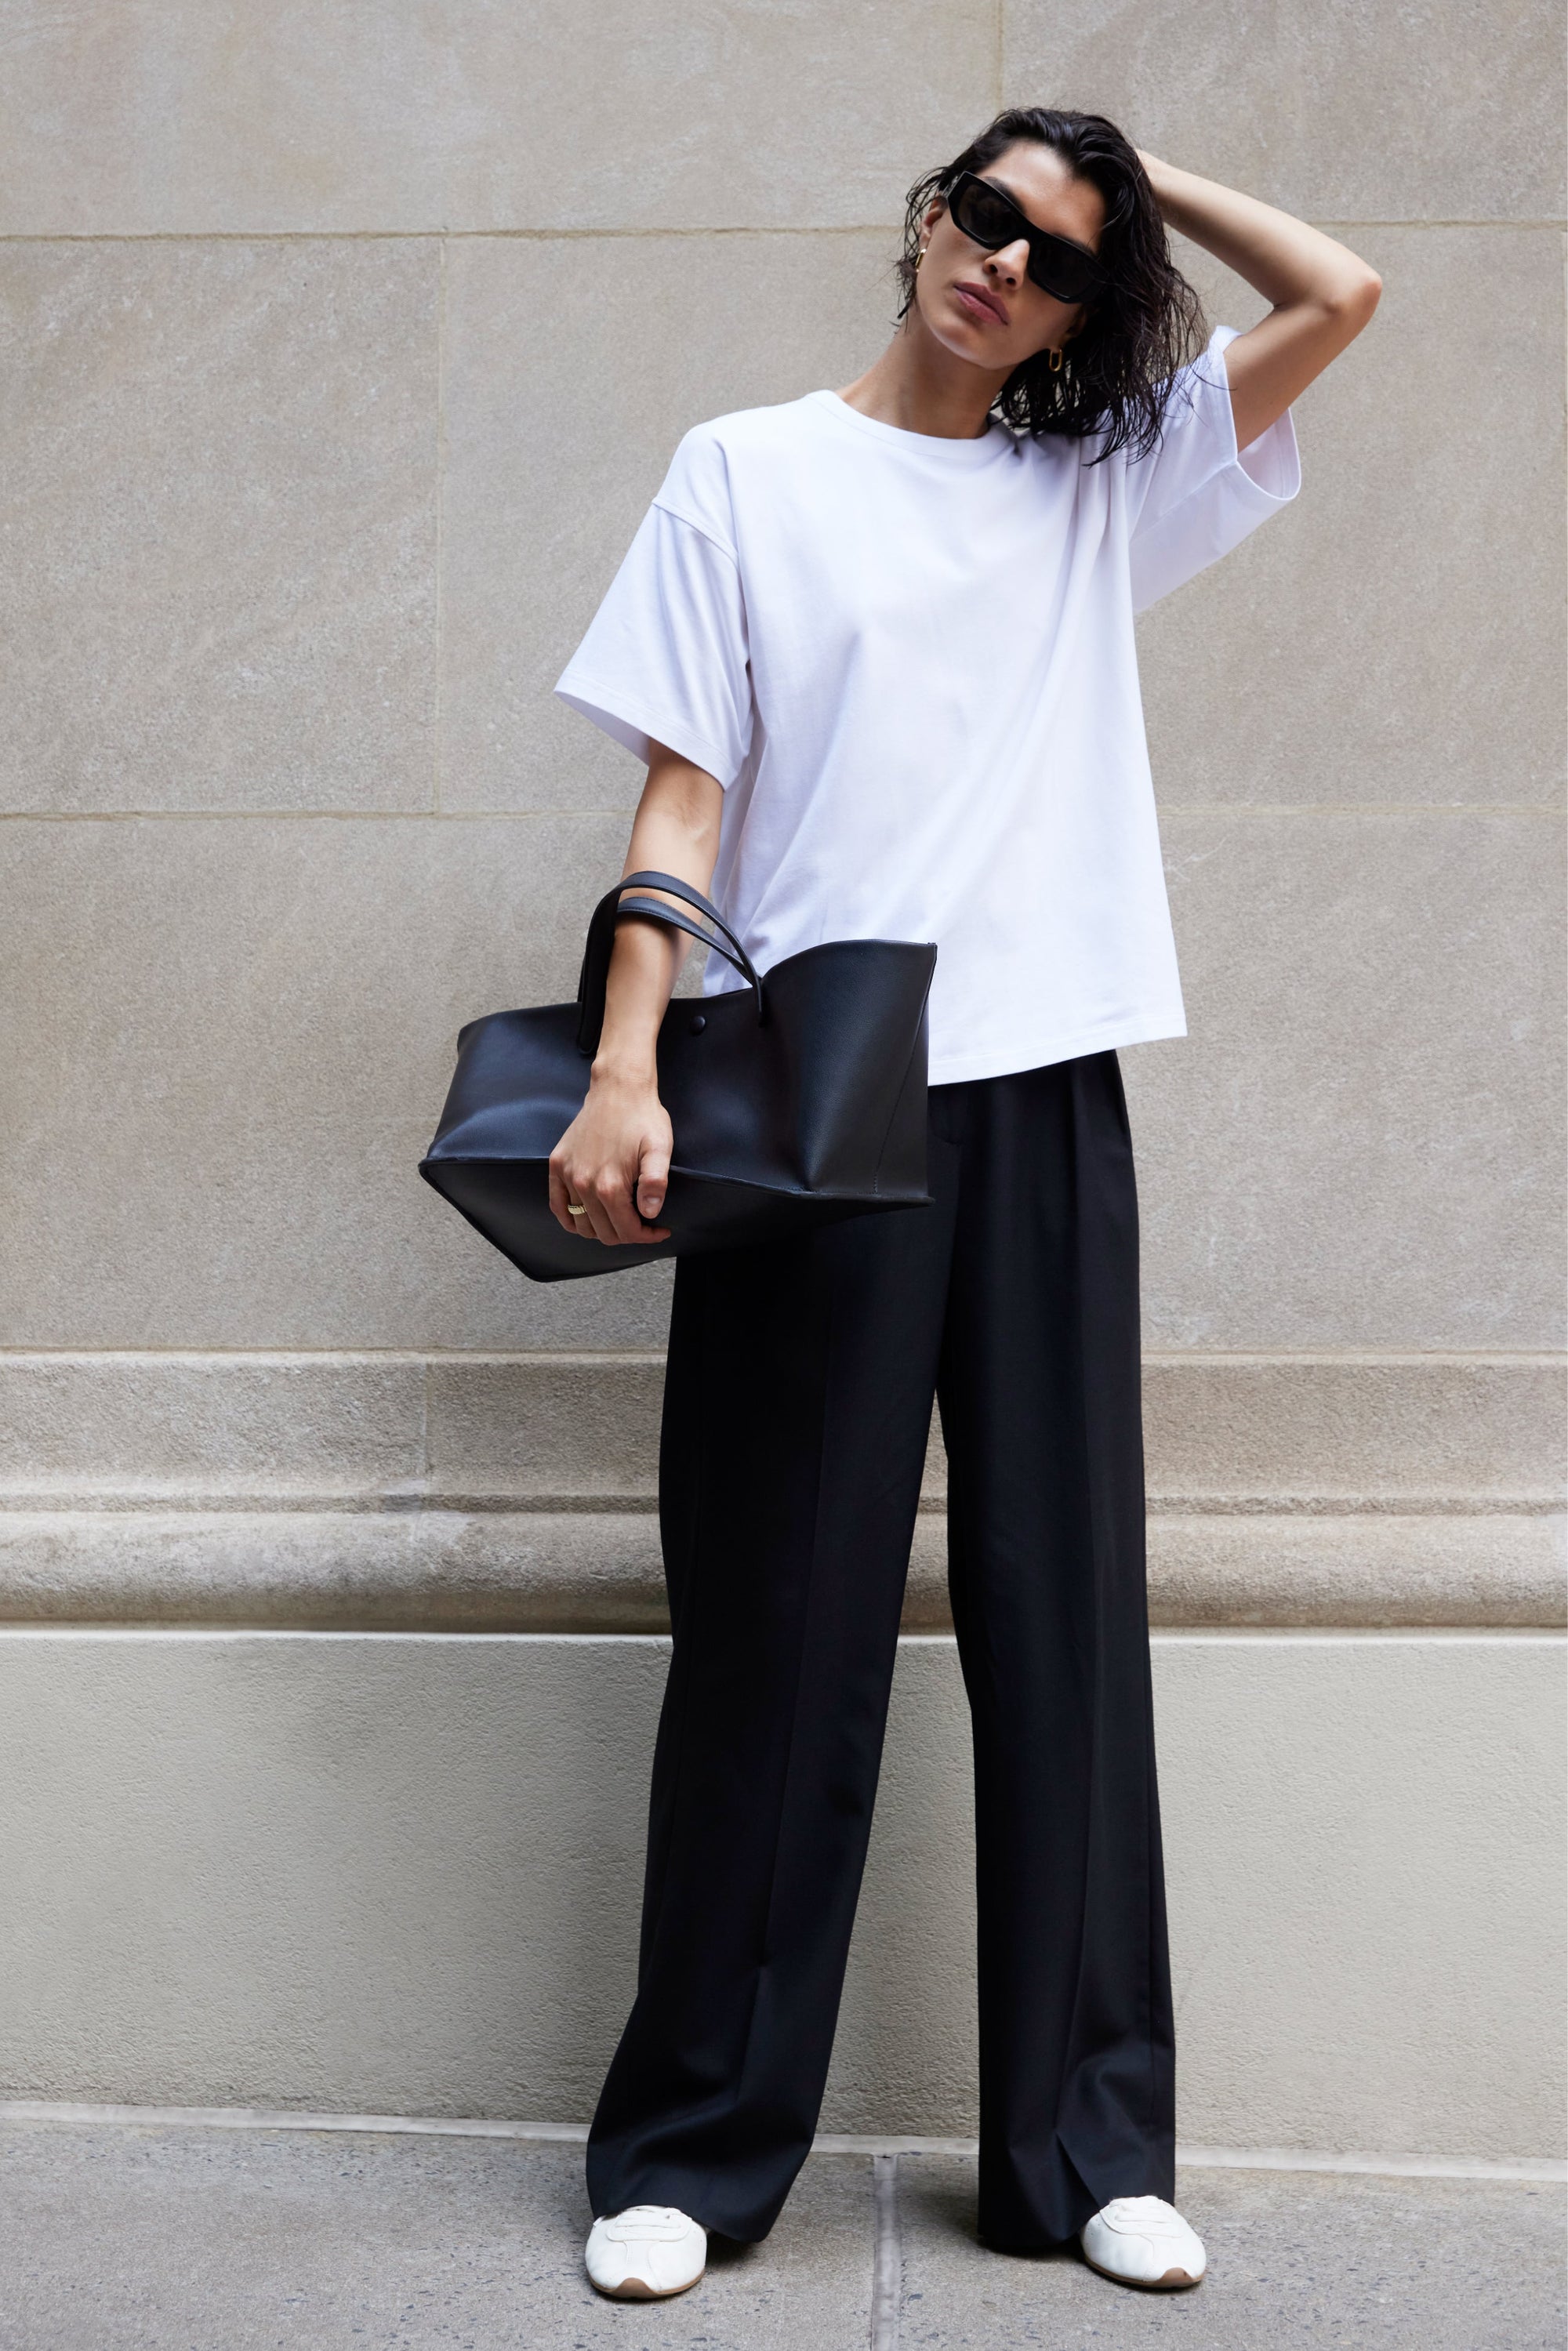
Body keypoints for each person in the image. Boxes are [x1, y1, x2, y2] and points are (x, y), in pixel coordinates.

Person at [547, 105, 1380, 2303]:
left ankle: (1090, 2145)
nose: (1004, 260)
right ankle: (696, 2150)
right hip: (813, 1112)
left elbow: (1344, 296)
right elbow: (683, 793)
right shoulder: (745, 469)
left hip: (1041, 1093)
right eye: (987, 212)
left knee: (1064, 1621)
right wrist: (627, 1058)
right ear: (924, 214)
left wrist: (1150, 175)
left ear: (1089, 307)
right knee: (773, 1631)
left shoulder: (1092, 488)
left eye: (1059, 254)